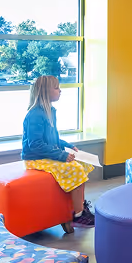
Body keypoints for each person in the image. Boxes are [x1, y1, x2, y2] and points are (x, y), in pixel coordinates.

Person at [22, 75, 95, 227]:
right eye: (56, 88)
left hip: (46, 154)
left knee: (84, 164)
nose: (60, 91)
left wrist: (67, 145)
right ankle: (78, 215)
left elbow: (53, 139)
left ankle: (80, 205)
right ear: (44, 91)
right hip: (35, 158)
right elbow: (35, 145)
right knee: (74, 168)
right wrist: (61, 155)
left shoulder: (50, 111)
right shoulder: (35, 114)